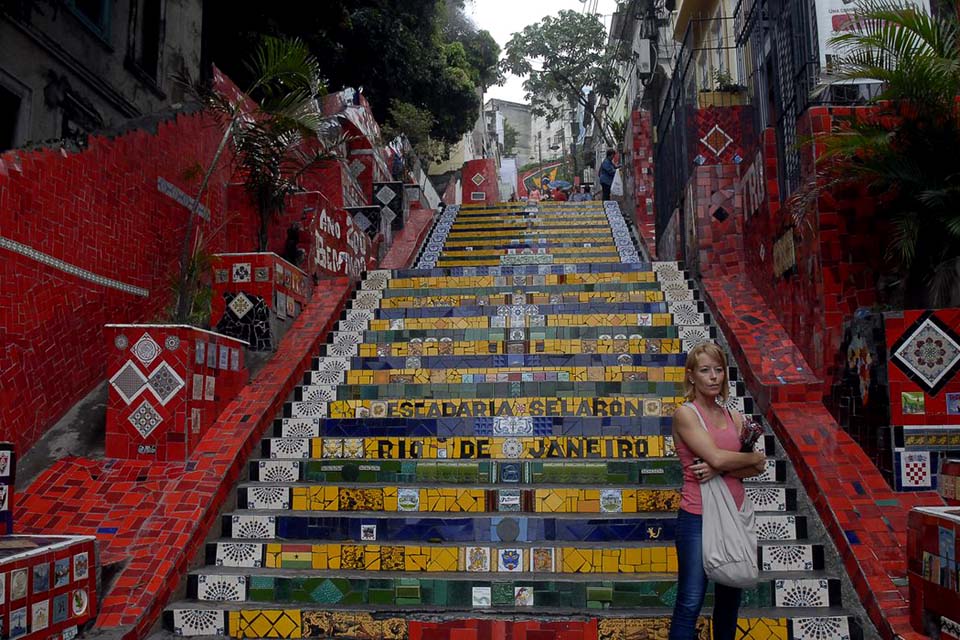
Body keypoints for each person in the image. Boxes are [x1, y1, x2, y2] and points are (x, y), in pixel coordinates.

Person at [669, 342, 766, 640]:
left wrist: (721, 467)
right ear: (691, 376)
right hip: (698, 516)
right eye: (705, 370)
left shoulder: (735, 417)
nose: (713, 377)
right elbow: (725, 458)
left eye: (719, 370)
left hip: (735, 515)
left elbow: (757, 467)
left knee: (729, 602)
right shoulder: (686, 414)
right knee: (690, 600)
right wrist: (735, 461)